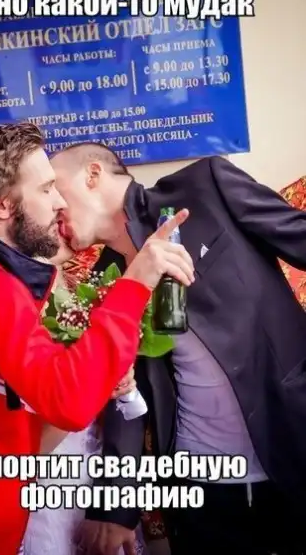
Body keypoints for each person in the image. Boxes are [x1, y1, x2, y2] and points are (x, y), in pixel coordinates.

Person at [0, 122, 193, 555]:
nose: (59, 202)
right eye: (45, 189)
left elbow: (9, 431)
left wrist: (97, 378)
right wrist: (135, 283)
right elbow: (69, 403)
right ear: (1, 203)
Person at [50, 142, 306, 555]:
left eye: (55, 187)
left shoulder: (205, 185)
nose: (52, 205)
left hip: (292, 442)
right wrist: (113, 508)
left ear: (92, 175)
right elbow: (124, 401)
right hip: (198, 486)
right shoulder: (105, 282)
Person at [24, 241, 149, 555]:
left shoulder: (108, 268)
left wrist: (116, 504)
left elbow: (130, 407)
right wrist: (92, 385)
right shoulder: (7, 304)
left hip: (95, 471)